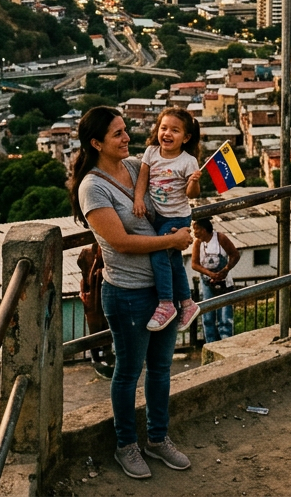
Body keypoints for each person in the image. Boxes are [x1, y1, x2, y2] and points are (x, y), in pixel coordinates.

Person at [71, 106, 193, 480]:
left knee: (160, 369)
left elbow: (171, 186)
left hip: (163, 290)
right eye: (117, 134)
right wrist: (171, 240)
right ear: (96, 143)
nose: (128, 138)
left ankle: (158, 438)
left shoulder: (136, 164)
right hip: (127, 293)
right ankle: (126, 444)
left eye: (126, 130)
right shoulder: (92, 187)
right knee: (128, 372)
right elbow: (121, 242)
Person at [133, 107, 202, 331]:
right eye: (164, 128)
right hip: (158, 216)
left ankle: (166, 304)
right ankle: (187, 303)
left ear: (186, 137)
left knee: (159, 253)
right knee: (173, 263)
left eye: (175, 130)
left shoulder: (188, 161)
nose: (167, 134)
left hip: (178, 217)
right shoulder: (151, 153)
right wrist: (138, 200)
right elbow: (142, 179)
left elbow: (192, 195)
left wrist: (193, 181)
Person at [191, 219, 240, 343]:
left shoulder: (220, 238)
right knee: (208, 316)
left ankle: (226, 342)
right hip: (207, 283)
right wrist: (210, 274)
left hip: (224, 283)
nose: (194, 232)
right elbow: (194, 264)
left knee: (225, 316)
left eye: (196, 229)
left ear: (204, 229)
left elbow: (235, 255)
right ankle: (211, 343)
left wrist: (225, 270)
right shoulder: (198, 243)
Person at [78, 241, 113, 378]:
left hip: (100, 294)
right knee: (95, 327)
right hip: (92, 298)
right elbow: (84, 273)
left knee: (106, 324)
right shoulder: (87, 255)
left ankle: (107, 354)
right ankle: (96, 357)